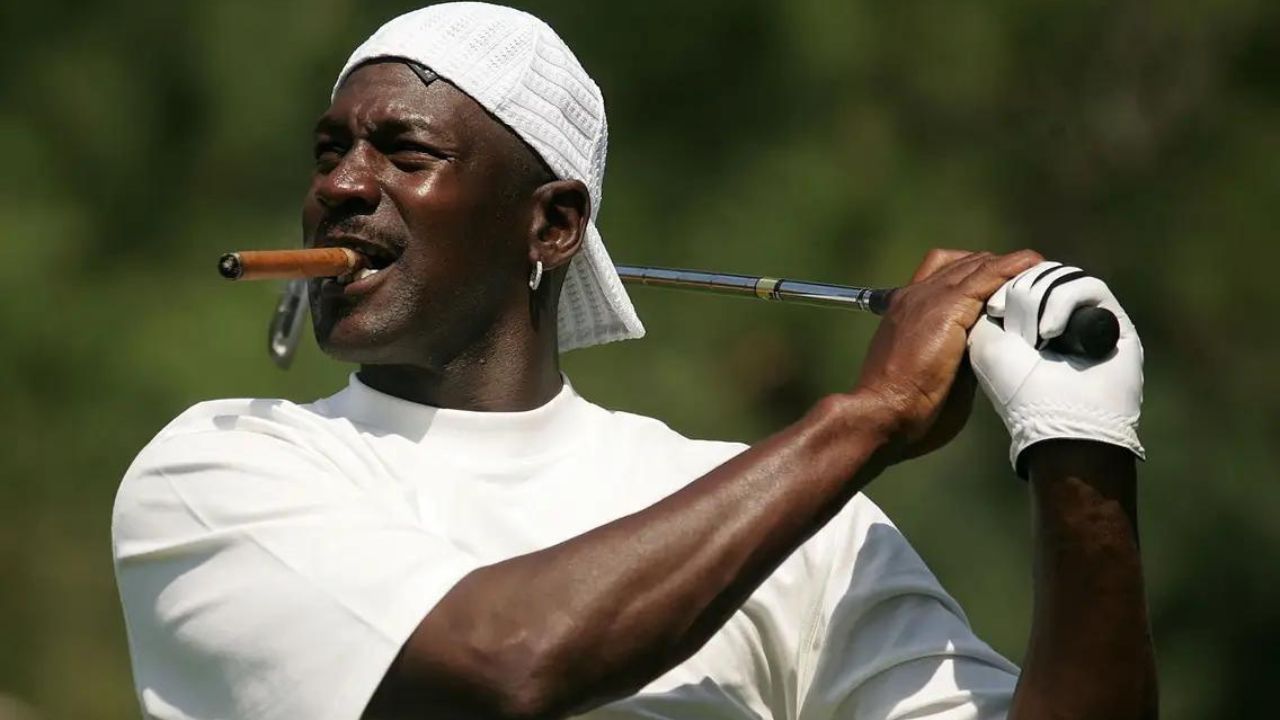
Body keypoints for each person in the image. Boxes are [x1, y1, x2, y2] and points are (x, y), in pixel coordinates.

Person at [111, 3, 1156, 719]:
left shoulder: (791, 522)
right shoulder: (219, 468)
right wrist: (867, 414)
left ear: (552, 225)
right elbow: (506, 666)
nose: (343, 184)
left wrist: (1081, 460)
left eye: (405, 151)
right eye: (330, 149)